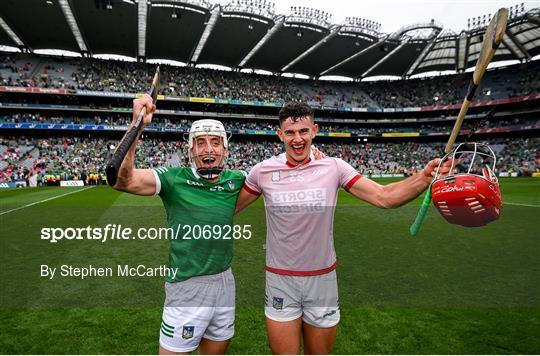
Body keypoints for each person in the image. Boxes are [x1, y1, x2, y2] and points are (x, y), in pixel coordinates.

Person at [235, 102, 452, 354]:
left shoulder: (334, 167)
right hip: (280, 280)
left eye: (303, 131)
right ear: (280, 134)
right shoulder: (262, 171)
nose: (297, 139)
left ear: (314, 131)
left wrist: (424, 177)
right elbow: (228, 208)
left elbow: (384, 196)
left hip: (322, 280)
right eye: (291, 132)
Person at [111, 95, 245, 355]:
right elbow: (121, 181)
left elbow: (279, 176)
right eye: (201, 143)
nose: (208, 149)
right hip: (187, 286)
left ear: (225, 150)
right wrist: (137, 126)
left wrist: (313, 157)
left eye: (215, 143)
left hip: (225, 282)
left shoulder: (238, 179)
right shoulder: (173, 179)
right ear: (190, 150)